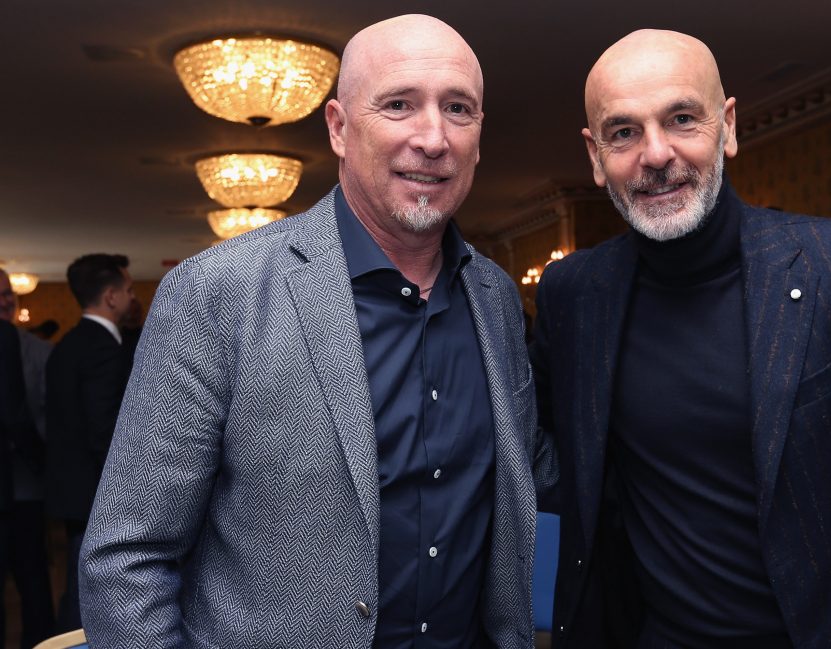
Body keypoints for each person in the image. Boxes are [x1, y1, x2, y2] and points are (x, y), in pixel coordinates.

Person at [81, 14, 555, 649]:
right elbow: (126, 557)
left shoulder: (495, 298)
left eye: (458, 109)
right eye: (398, 104)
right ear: (338, 127)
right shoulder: (219, 291)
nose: (433, 137)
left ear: (478, 134)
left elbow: (537, 471)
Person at [531, 30, 831, 648]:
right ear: (595, 157)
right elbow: (537, 447)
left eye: (682, 119)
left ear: (728, 126)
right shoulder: (574, 294)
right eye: (623, 132)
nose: (656, 153)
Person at [46, 253, 133, 631]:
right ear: (111, 297)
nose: (132, 297)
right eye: (128, 290)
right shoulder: (103, 348)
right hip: (96, 491)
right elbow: (104, 429)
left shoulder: (66, 345)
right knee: (91, 593)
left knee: (79, 585)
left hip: (70, 489)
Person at [0, 269, 54, 647]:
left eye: (8, 293)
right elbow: (13, 413)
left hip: (26, 486)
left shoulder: (37, 349)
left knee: (34, 581)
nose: (6, 300)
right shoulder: (7, 340)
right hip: (15, 480)